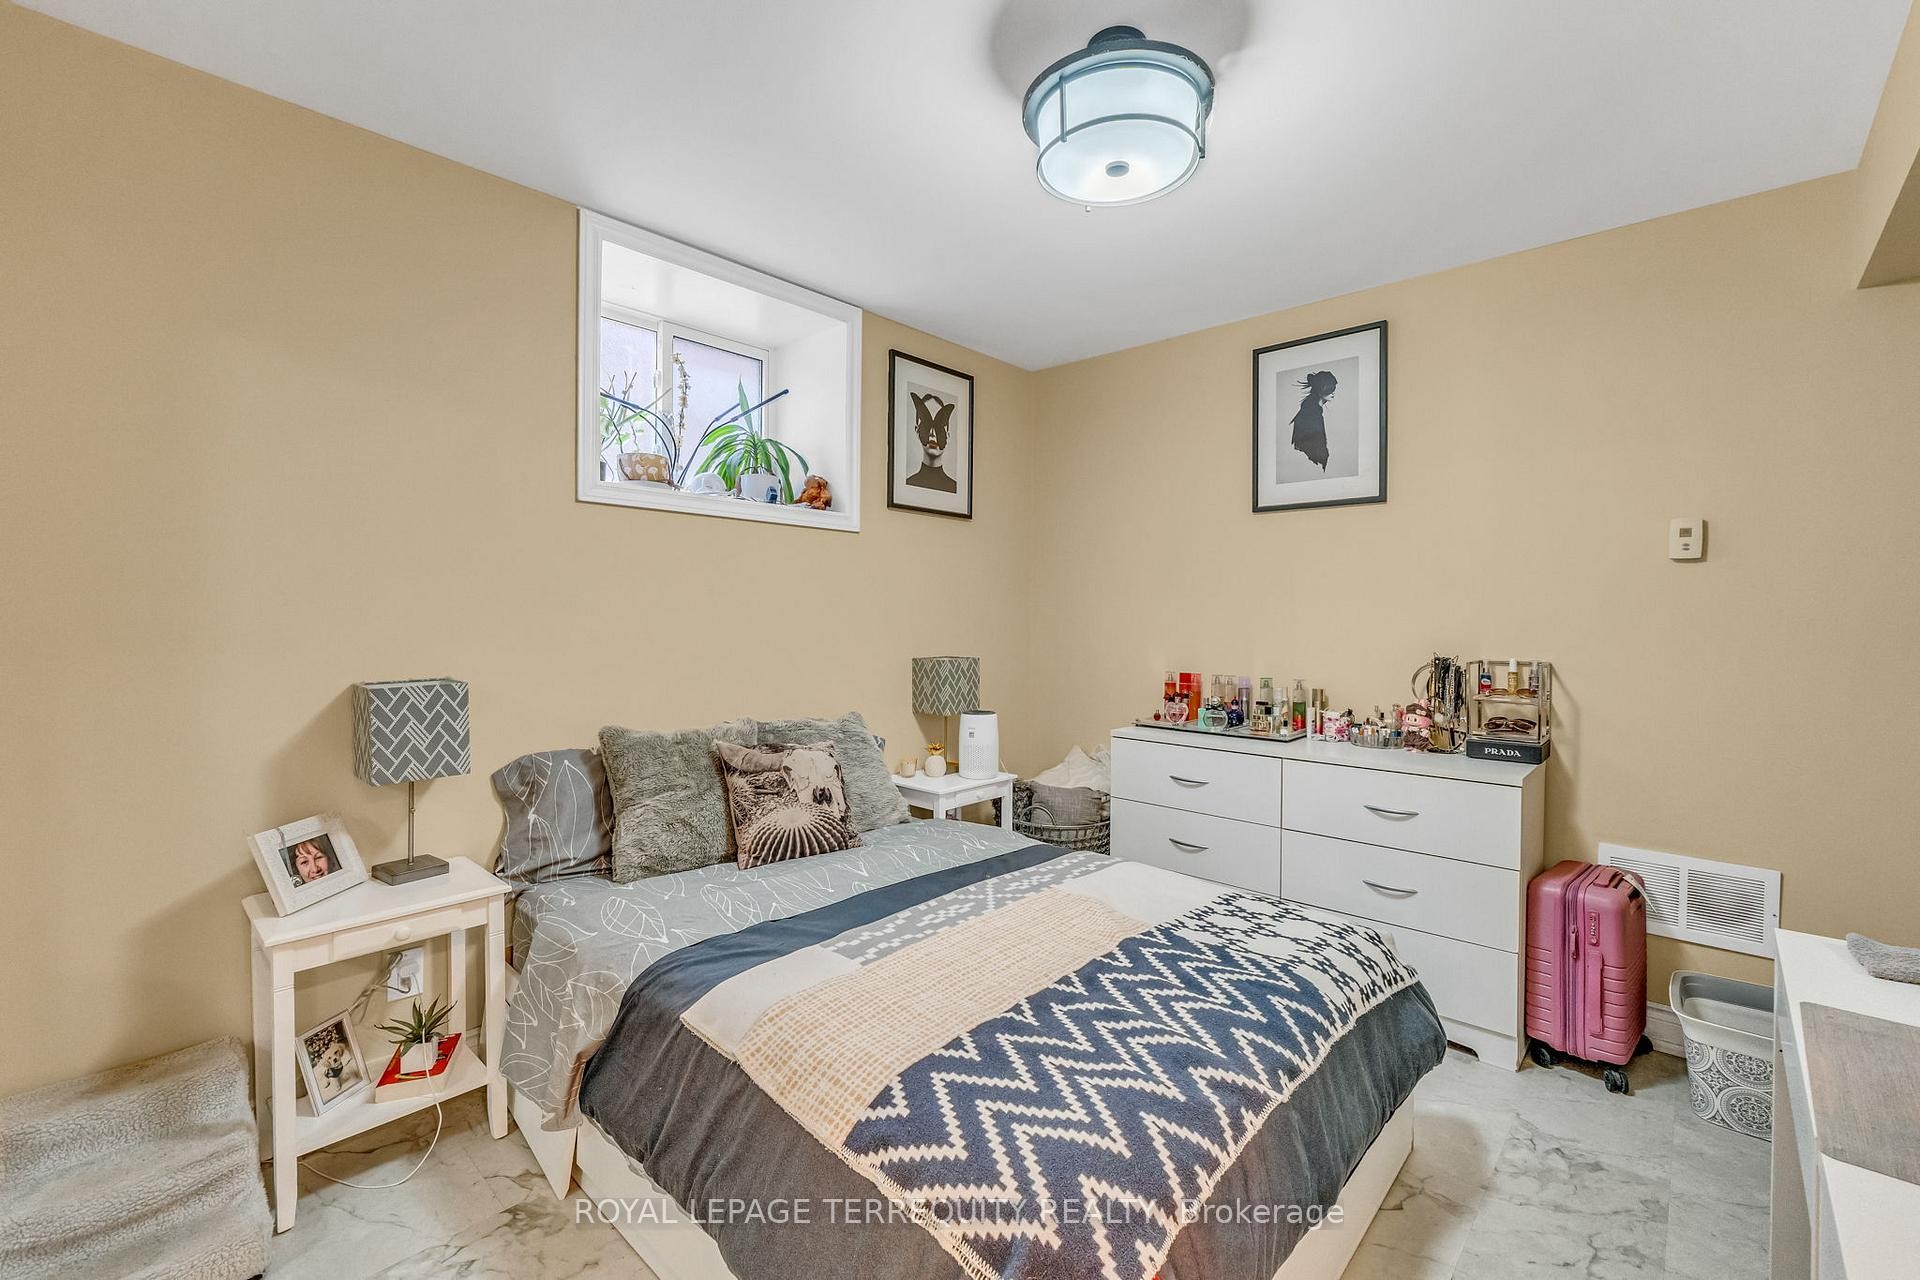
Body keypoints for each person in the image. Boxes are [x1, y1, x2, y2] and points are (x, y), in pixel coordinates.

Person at [906, 391, 959, 493]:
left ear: (947, 435)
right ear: (917, 430)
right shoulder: (909, 484)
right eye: (926, 424)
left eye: (939, 426)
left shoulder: (954, 488)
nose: (932, 434)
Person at [1289, 369, 1338, 470]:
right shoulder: (1312, 413)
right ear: (1321, 390)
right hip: (1311, 465)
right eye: (1331, 389)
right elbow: (1311, 445)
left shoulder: (1310, 409)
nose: (1333, 393)